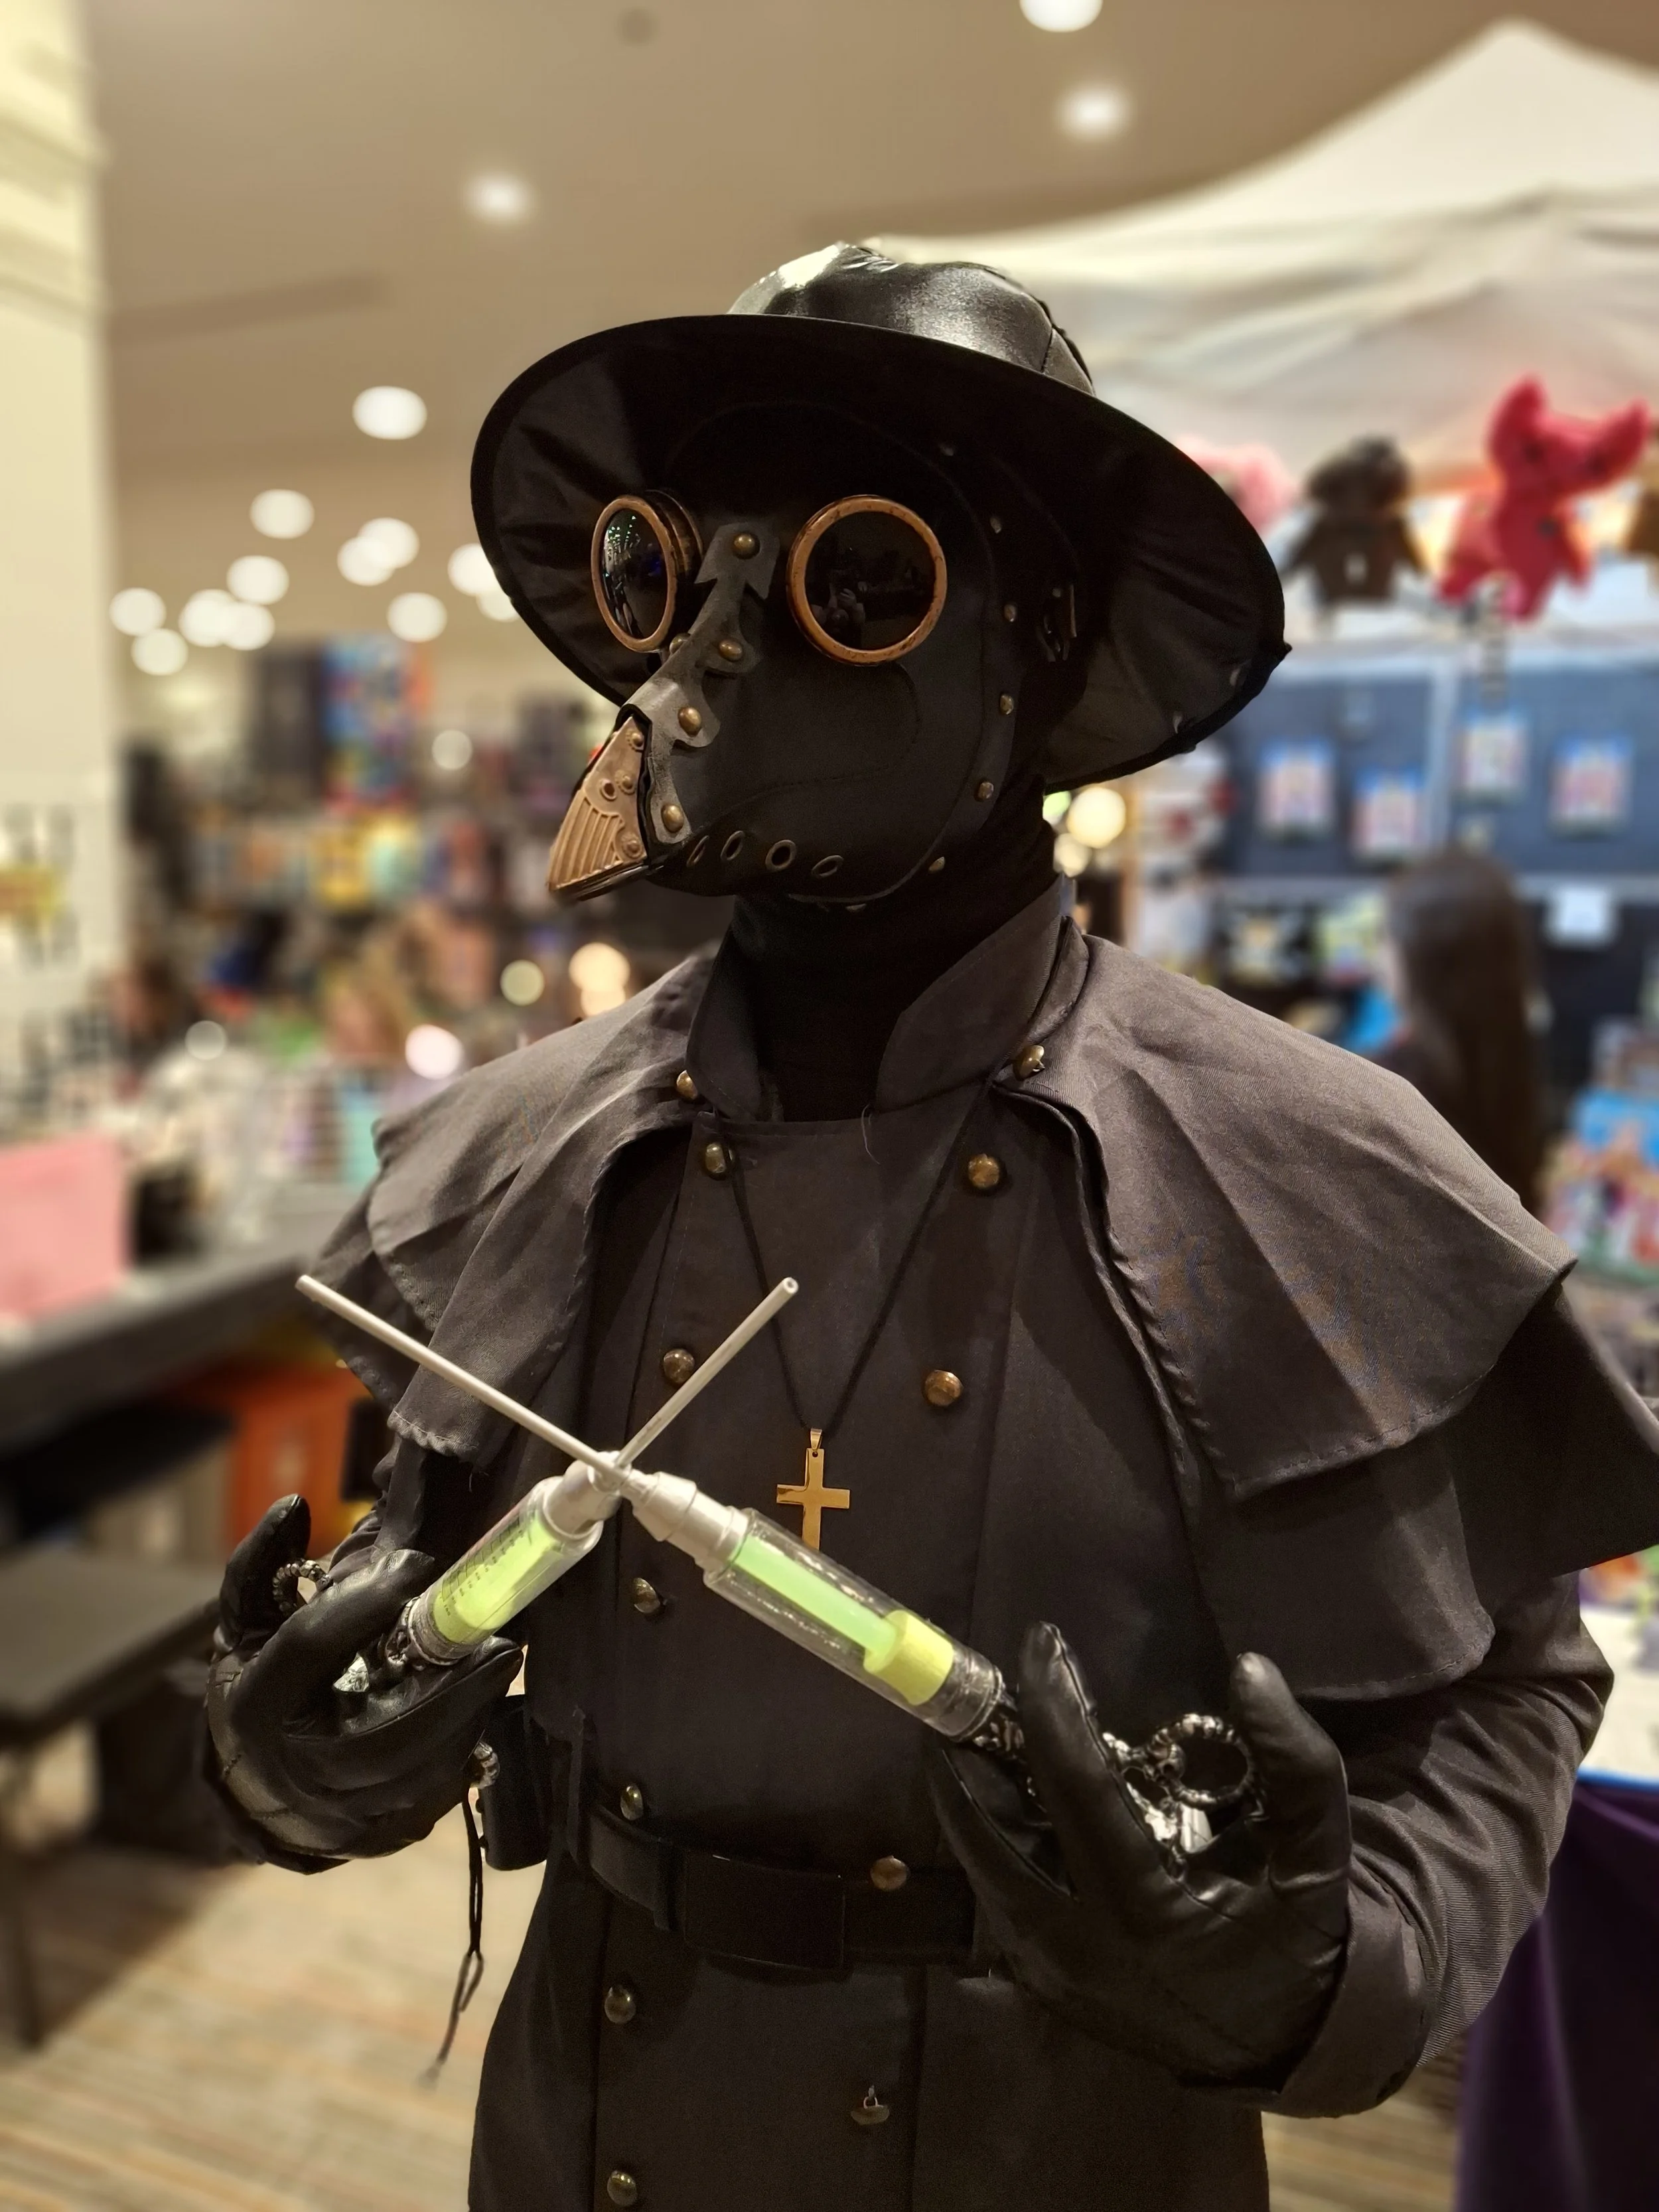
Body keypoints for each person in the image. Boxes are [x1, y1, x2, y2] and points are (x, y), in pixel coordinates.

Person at [205, 248, 1659, 2212]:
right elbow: (420, 1586)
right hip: (587, 2119)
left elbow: (1507, 1677)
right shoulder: (522, 1149)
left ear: (1033, 647)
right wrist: (296, 1761)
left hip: (1062, 2129)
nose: (716, 649)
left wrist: (1338, 1959)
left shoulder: (1296, 1159)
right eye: (666, 571)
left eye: (855, 576)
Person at [1373, 849, 1544, 1210]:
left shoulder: (1387, 1086)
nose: (1379, 957)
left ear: (1423, 954)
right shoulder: (1511, 1056)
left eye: (1386, 937)